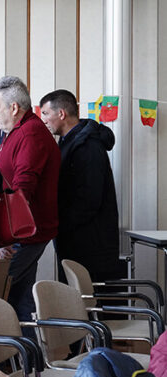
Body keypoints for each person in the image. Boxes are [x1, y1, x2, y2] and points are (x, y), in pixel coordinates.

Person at [0, 76, 60, 330]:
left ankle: (11, 360)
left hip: (22, 234)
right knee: (18, 298)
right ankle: (29, 362)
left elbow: (22, 188)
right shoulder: (15, 131)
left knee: (1, 298)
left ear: (13, 108)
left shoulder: (31, 134)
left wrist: (6, 236)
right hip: (20, 232)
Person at [39, 89, 123, 282]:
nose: (43, 120)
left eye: (45, 113)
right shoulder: (68, 142)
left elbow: (89, 198)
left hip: (90, 242)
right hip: (73, 238)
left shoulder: (88, 146)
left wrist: (62, 223)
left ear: (61, 114)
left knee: (88, 302)